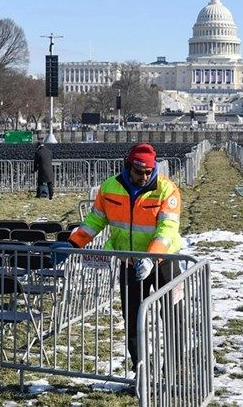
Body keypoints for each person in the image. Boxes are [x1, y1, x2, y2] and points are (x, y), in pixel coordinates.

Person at [53, 142, 183, 373]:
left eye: (148, 172)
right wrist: (73, 243)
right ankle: (141, 371)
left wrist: (151, 258)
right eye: (138, 171)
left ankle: (173, 370)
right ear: (127, 166)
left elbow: (167, 228)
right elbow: (95, 221)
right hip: (129, 263)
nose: (144, 177)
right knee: (132, 320)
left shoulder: (167, 190)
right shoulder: (110, 187)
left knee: (173, 316)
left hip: (164, 262)